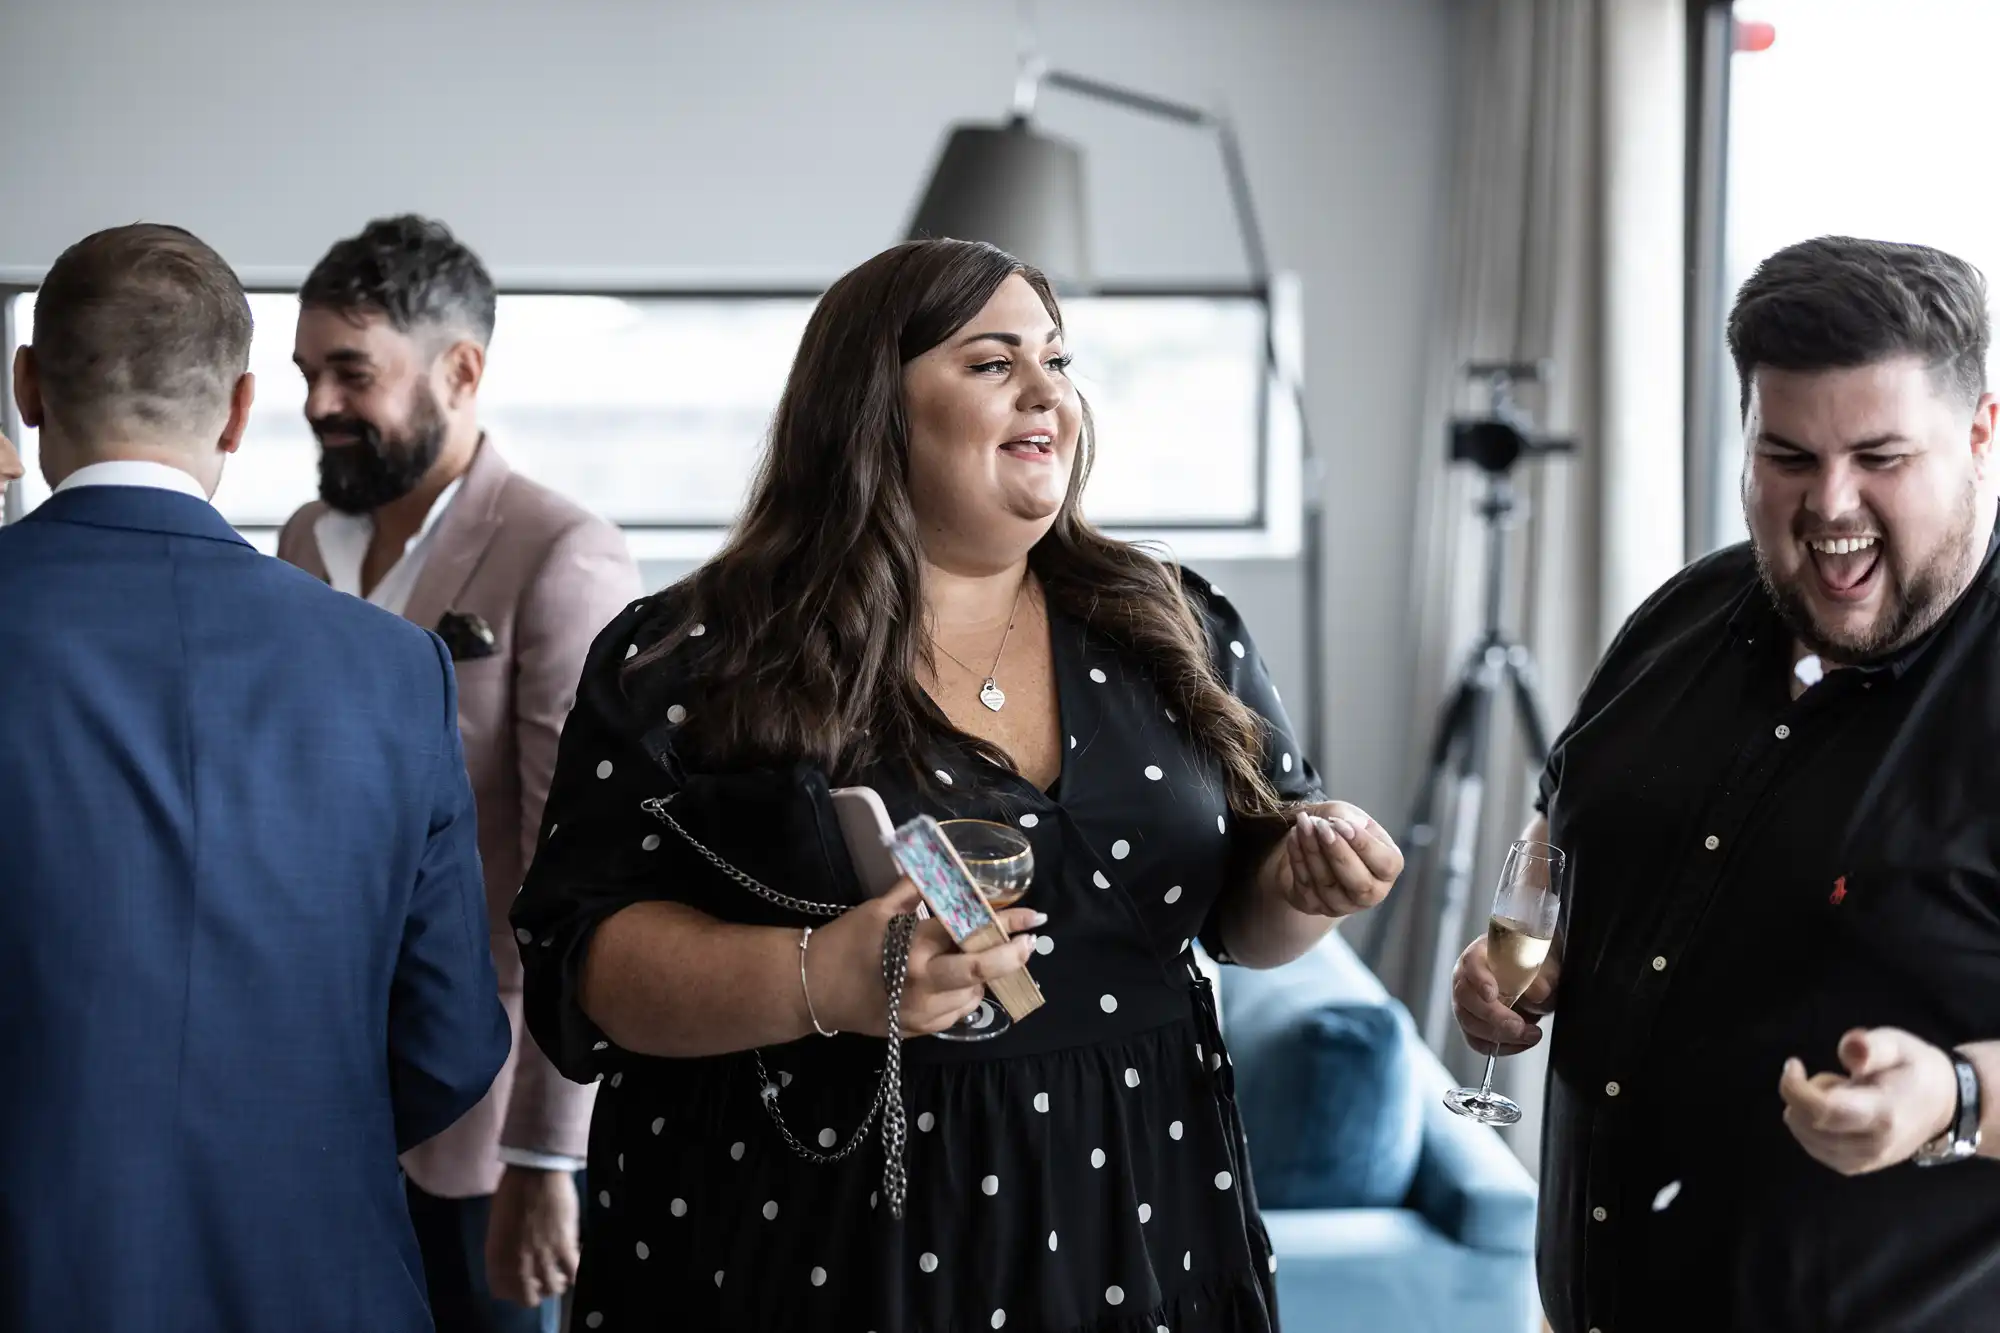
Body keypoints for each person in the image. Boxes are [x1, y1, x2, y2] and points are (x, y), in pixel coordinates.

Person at [510, 238, 1404, 1331]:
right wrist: (821, 976)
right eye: (992, 363)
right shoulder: (693, 656)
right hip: (806, 1243)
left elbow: (1240, 920)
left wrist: (1303, 889)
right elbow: (582, 962)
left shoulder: (1171, 623)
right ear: (871, 408)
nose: (1047, 393)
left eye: (1057, 360)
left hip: (1136, 1212)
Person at [1453, 235, 2000, 1332]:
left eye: (1880, 458)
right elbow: (1563, 835)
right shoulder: (1679, 615)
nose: (1829, 507)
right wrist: (1512, 963)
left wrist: (1955, 1098)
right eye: (1787, 457)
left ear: (1981, 431)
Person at [0, 224, 508, 1330]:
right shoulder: (389, 667)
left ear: (27, 386)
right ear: (238, 408)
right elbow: (452, 1039)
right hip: (320, 1277)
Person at [278, 214, 642, 1332]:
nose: (317, 403)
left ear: (461, 369)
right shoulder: (303, 541)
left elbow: (573, 872)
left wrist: (545, 1152)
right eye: (304, 373)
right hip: (301, 1087)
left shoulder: (560, 551)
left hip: (480, 1114)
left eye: (352, 372)